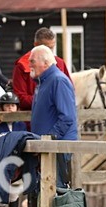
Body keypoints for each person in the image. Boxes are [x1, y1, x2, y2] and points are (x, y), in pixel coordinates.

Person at [29, 45, 78, 190]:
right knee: (45, 193)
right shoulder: (43, 82)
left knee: (57, 193)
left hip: (57, 149)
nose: (29, 64)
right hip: (47, 148)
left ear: (45, 63)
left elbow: (67, 117)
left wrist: (48, 139)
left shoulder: (58, 80)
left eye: (32, 61)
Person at [11, 27, 71, 111]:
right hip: (31, 118)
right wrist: (48, 100)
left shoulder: (60, 63)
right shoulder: (22, 66)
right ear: (35, 45)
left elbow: (69, 91)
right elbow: (20, 98)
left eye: (52, 48)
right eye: (46, 48)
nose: (50, 52)